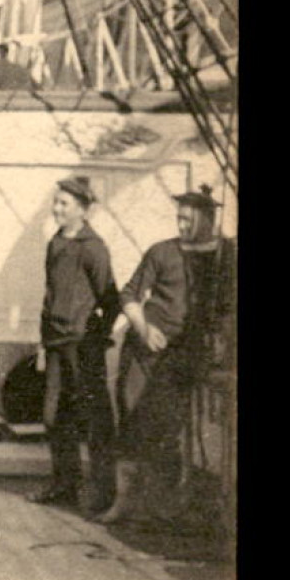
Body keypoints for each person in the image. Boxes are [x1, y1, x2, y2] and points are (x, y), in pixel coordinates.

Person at [95, 185, 235, 525]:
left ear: (208, 218)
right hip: (146, 351)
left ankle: (162, 507)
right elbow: (129, 296)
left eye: (188, 220)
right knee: (132, 419)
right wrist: (143, 328)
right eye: (179, 219)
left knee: (168, 429)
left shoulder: (227, 256)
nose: (182, 226)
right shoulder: (162, 252)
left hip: (187, 355)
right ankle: (123, 503)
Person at [29, 176, 120, 511]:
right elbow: (49, 294)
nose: (56, 208)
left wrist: (94, 338)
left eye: (64, 203)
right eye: (56, 202)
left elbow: (111, 300)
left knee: (94, 418)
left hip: (82, 346)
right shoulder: (56, 243)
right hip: (55, 343)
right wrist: (44, 342)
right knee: (54, 417)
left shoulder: (93, 247)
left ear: (82, 209)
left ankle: (103, 493)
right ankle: (65, 483)